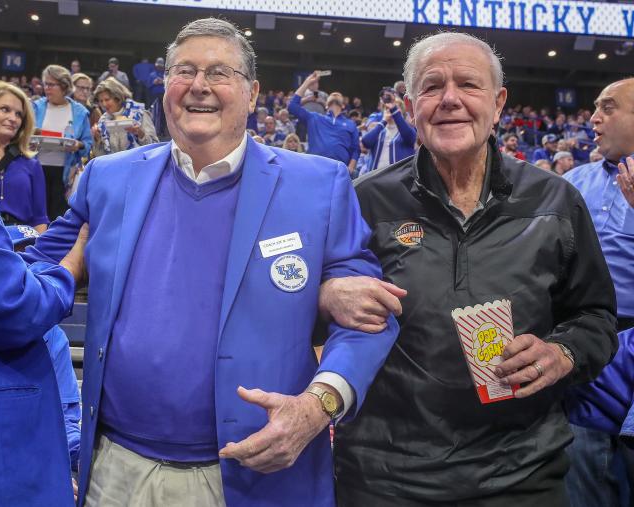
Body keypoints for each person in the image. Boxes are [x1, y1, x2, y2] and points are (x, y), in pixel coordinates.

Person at [23, 18, 398, 507]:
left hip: (257, 474)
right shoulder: (106, 179)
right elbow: (27, 280)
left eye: (220, 72)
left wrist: (316, 406)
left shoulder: (319, 185)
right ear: (165, 88)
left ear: (252, 92)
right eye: (185, 71)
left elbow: (368, 317)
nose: (199, 85)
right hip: (115, 472)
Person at [318, 32, 618, 506]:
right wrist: (326, 294)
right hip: (385, 479)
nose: (450, 100)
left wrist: (563, 353)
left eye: (469, 85)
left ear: (498, 103)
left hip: (523, 475)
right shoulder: (363, 200)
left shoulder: (556, 201)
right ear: (411, 103)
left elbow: (597, 317)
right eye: (433, 86)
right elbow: (310, 312)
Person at [561, 77, 634, 507]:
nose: (593, 118)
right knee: (583, 472)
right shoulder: (572, 182)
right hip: (584, 339)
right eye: (594, 107)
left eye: (608, 107)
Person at [0, 208, 87, 506]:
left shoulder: (53, 338)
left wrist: (78, 462)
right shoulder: (26, 317)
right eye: (13, 257)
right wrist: (69, 270)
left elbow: (67, 415)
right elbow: (14, 304)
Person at [7, 224, 82, 476]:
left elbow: (66, 421)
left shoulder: (53, 337)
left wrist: (83, 458)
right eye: (16, 256)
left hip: (38, 473)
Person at [32, 65, 92, 220]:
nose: (46, 88)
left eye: (51, 85)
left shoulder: (79, 112)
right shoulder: (36, 107)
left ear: (64, 86)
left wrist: (78, 145)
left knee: (58, 216)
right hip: (36, 169)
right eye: (45, 84)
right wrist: (31, 136)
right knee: (37, 215)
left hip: (65, 174)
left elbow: (87, 143)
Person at [0, 81, 48, 231]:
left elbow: (39, 220)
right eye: (5, 109)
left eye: (19, 114)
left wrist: (36, 254)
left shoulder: (31, 164)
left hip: (17, 247)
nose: (13, 118)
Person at [289, 73, 360, 173]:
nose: (335, 94)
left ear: (343, 106)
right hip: (316, 169)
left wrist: (351, 168)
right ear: (326, 105)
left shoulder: (350, 124)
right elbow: (292, 106)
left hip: (339, 172)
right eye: (332, 95)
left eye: (338, 95)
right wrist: (307, 81)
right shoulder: (315, 117)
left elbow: (356, 149)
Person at [92, 77, 158, 155]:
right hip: (114, 166)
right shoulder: (102, 121)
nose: (104, 104)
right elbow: (100, 156)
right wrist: (97, 139)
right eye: (101, 101)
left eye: (107, 99)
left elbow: (155, 147)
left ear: (118, 98)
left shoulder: (140, 113)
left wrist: (141, 134)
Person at [360, 87, 416, 173]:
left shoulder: (406, 130)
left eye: (395, 107)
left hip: (399, 180)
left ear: (401, 111)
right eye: (387, 108)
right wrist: (383, 121)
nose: (390, 109)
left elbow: (410, 138)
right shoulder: (380, 129)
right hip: (374, 179)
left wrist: (394, 110)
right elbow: (366, 142)